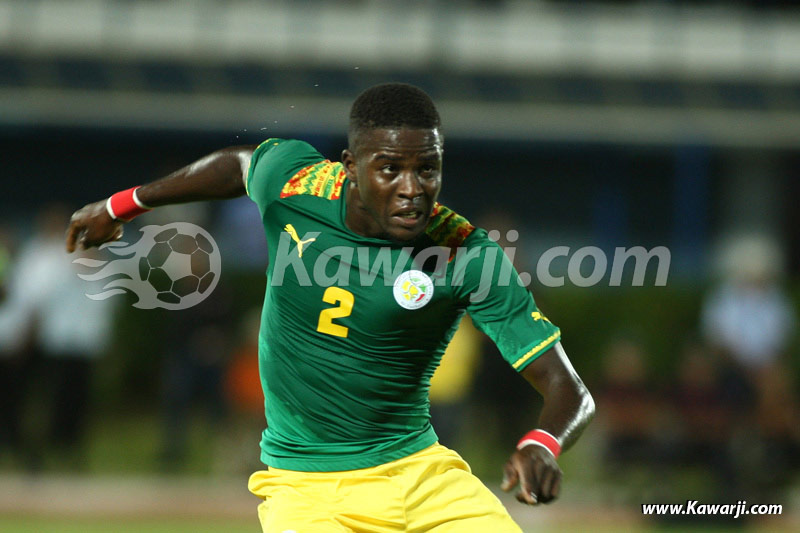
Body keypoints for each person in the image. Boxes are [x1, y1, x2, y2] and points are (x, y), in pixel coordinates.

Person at [66, 83, 594, 532]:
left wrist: (542, 443)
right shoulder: (298, 185)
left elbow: (568, 387)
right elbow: (238, 166)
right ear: (351, 167)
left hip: (422, 476)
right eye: (390, 169)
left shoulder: (465, 254)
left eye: (427, 169)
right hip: (308, 488)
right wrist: (123, 204)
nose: (412, 189)